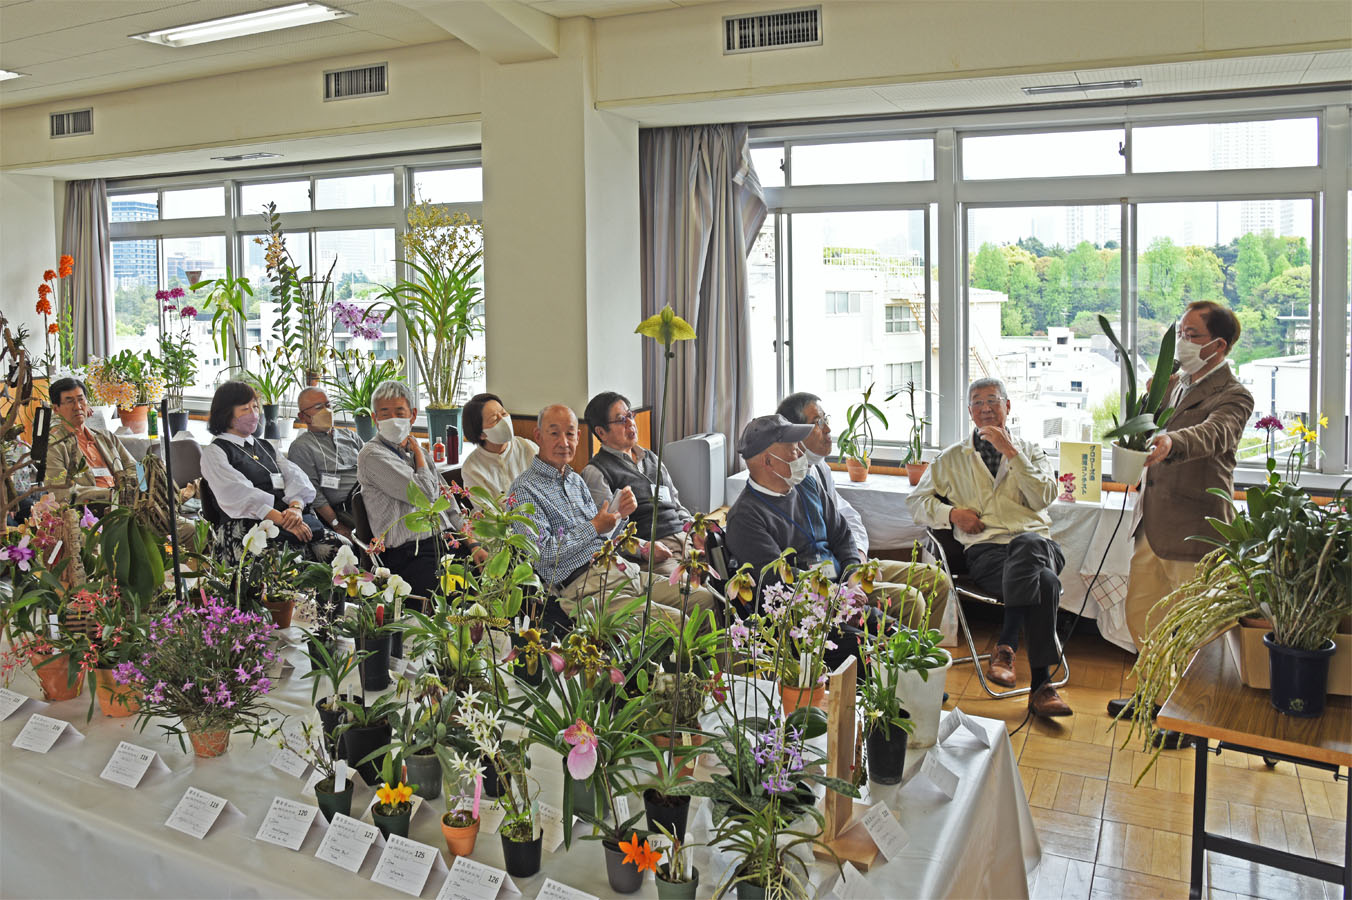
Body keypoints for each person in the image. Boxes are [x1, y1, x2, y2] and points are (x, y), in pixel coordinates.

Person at [1107, 302, 1254, 727]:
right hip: (1151, 526)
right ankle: (1153, 696)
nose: (1182, 343)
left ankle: (1188, 717)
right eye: (1181, 333)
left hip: (1195, 530)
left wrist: (1172, 441)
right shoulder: (1172, 384)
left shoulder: (1234, 394)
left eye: (1192, 335)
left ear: (1219, 345)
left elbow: (1214, 433)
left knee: (1192, 633)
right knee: (1142, 616)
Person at [907, 378, 1070, 718]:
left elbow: (1044, 496)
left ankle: (1006, 645)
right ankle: (1042, 686)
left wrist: (1013, 452)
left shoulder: (1031, 450)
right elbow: (916, 502)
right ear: (970, 412)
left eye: (993, 401)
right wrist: (951, 513)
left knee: (1028, 543)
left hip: (1040, 545)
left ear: (1008, 407)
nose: (985, 408)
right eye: (977, 402)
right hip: (988, 552)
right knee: (1047, 584)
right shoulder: (951, 458)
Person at [725, 414, 950, 627]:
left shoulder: (806, 485)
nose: (800, 457)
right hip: (822, 598)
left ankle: (917, 656)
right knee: (911, 600)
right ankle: (901, 660)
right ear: (768, 461)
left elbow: (842, 534)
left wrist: (854, 571)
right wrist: (840, 593)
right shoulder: (745, 517)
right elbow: (778, 582)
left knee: (937, 580)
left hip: (843, 571)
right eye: (793, 451)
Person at [507, 404, 719, 624]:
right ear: (538, 436)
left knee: (704, 601)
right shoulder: (525, 490)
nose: (564, 442)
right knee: (678, 623)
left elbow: (602, 537)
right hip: (583, 587)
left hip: (623, 570)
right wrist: (595, 526)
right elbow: (541, 554)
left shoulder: (575, 481)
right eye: (554, 433)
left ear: (578, 436)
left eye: (570, 434)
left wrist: (626, 526)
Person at [357, 380, 484, 602]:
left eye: (399, 412)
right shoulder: (372, 455)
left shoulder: (418, 454)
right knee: (457, 603)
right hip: (410, 555)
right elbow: (424, 495)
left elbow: (448, 501)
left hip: (445, 543)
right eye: (384, 413)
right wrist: (418, 451)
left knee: (496, 582)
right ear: (375, 419)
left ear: (413, 415)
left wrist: (472, 544)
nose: (392, 419)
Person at [200, 380, 342, 565]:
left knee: (339, 548)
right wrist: (283, 520)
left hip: (288, 519)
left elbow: (295, 477)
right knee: (288, 564)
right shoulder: (215, 451)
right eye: (245, 409)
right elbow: (237, 493)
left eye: (255, 407)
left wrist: (296, 508)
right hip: (248, 528)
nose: (254, 414)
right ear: (227, 414)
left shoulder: (265, 446)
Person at [580, 391, 695, 578]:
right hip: (654, 552)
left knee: (728, 573)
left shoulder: (651, 458)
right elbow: (607, 532)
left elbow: (676, 504)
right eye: (620, 420)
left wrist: (693, 529)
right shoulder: (597, 472)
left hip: (684, 538)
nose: (630, 423)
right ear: (601, 432)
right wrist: (644, 549)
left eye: (630, 415)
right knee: (691, 593)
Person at [776, 391, 868, 561]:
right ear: (795, 433)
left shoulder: (819, 468)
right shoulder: (782, 483)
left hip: (847, 564)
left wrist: (859, 557)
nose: (828, 429)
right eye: (818, 422)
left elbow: (848, 517)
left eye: (826, 419)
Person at [44, 377, 137, 508]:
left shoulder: (105, 437)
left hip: (126, 504)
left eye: (81, 399)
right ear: (56, 409)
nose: (78, 407)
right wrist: (111, 495)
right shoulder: (54, 446)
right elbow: (62, 492)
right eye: (70, 401)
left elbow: (134, 467)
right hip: (92, 512)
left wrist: (132, 488)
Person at [288, 386, 365, 541]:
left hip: (371, 494)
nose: (326, 411)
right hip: (350, 508)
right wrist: (336, 524)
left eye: (328, 406)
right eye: (318, 407)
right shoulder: (301, 447)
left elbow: (371, 465)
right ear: (303, 417)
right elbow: (314, 493)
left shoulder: (350, 436)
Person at [460, 392, 538, 507]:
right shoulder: (472, 468)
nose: (504, 420)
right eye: (495, 419)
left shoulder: (526, 446)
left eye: (504, 413)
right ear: (481, 434)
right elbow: (488, 514)